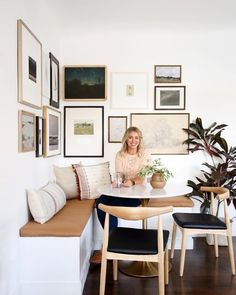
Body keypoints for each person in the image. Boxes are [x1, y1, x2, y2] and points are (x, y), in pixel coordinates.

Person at [90, 126, 150, 264]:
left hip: (138, 194)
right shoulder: (120, 155)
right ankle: (112, 242)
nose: (133, 140)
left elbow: (143, 176)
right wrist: (118, 181)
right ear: (126, 139)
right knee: (100, 203)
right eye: (130, 137)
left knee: (109, 207)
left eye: (136, 137)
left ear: (140, 140)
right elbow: (120, 175)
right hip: (121, 190)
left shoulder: (145, 155)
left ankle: (107, 246)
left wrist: (133, 182)